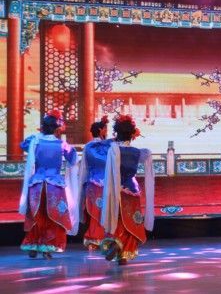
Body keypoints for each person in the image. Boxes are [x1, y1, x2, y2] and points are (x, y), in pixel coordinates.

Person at [19, 109, 79, 258]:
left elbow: (22, 145)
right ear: (57, 128)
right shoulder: (62, 144)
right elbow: (74, 159)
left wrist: (38, 136)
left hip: (37, 184)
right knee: (53, 216)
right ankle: (48, 246)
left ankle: (33, 244)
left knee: (37, 215)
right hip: (55, 186)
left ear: (43, 127)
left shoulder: (35, 142)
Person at [100, 115, 154, 265]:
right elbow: (147, 155)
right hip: (132, 189)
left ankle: (116, 242)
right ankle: (123, 253)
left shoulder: (113, 150)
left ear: (116, 133)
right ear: (132, 134)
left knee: (117, 218)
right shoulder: (138, 152)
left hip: (116, 188)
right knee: (131, 220)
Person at [78, 116, 110, 250]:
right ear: (101, 130)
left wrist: (83, 182)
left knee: (94, 211)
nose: (107, 131)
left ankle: (93, 239)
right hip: (107, 183)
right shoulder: (109, 146)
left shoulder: (88, 146)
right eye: (105, 129)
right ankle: (105, 238)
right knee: (105, 211)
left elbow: (84, 167)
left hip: (92, 183)